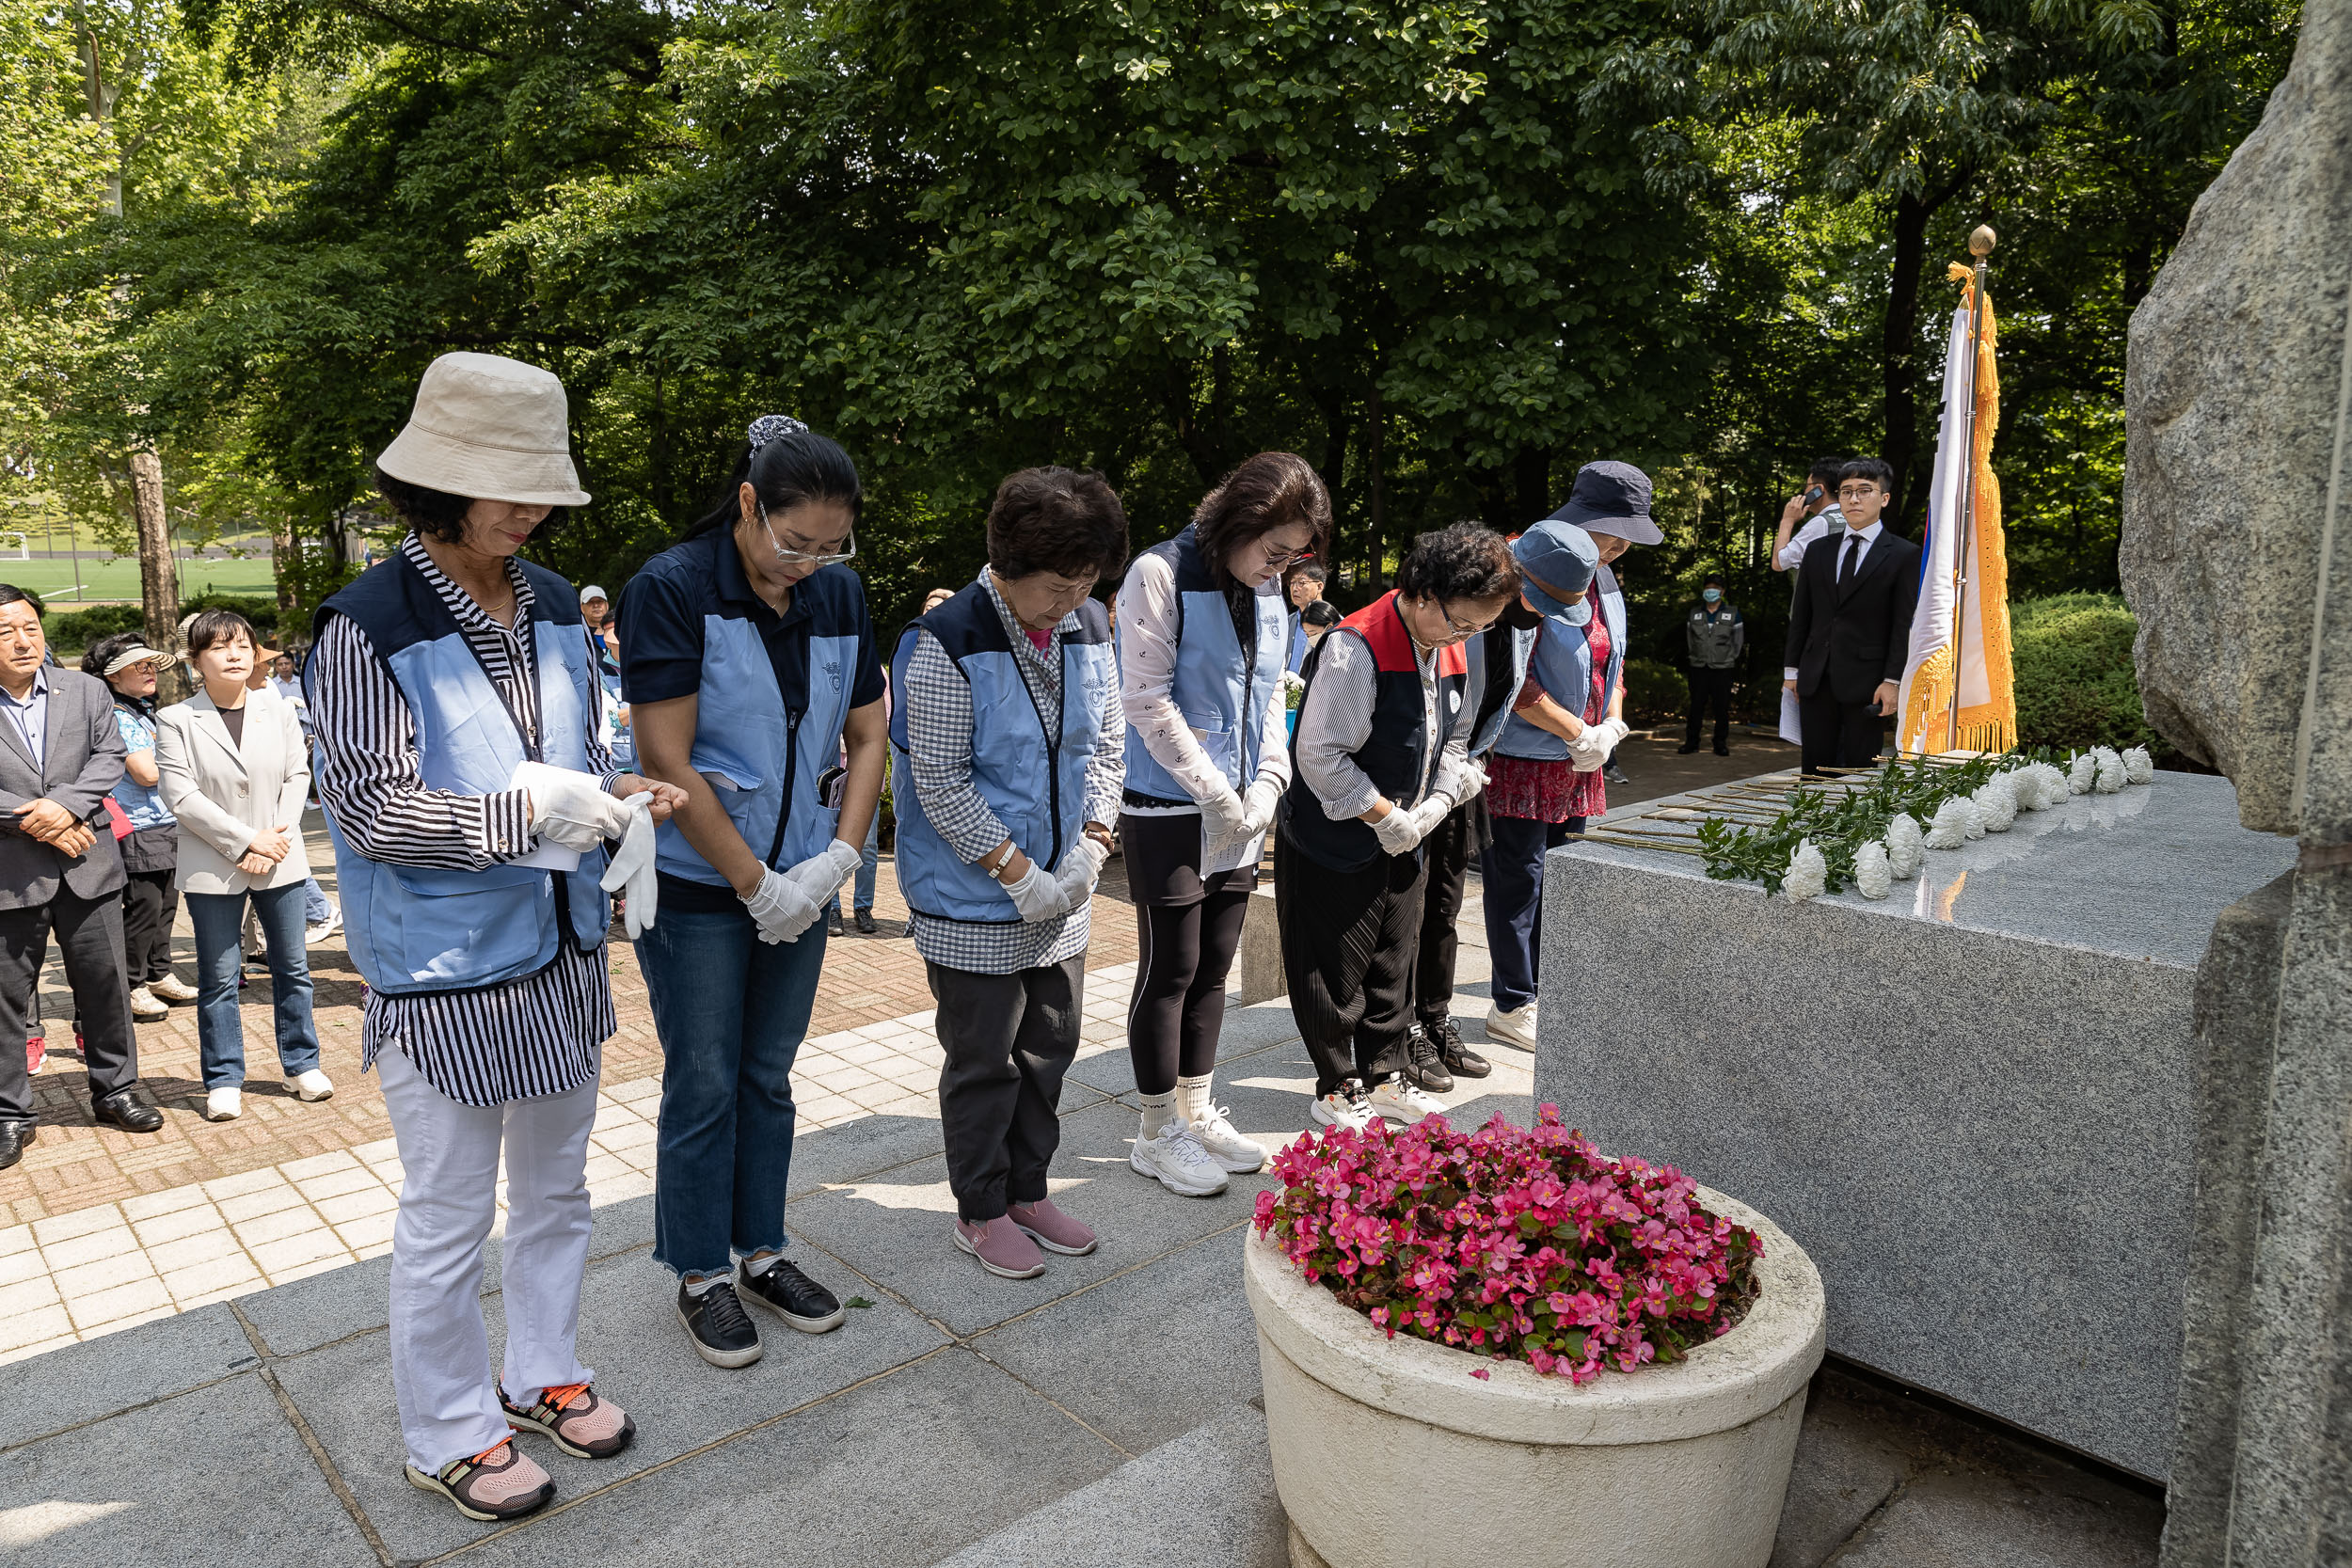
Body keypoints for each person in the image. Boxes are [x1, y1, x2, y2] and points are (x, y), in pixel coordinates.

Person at [310, 352, 680, 1520]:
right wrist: (534, 811)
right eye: (507, 487)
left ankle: (542, 1369)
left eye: (541, 488)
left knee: (561, 1189)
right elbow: (370, 808)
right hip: (442, 968)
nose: (531, 509)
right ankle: (448, 1428)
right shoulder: (365, 624)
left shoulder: (560, 602)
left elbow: (569, 754)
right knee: (448, 1211)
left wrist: (616, 791)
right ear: (438, 484)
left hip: (562, 945)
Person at [620, 413, 883, 1371]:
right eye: (790, 540)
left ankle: (762, 1250)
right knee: (703, 1078)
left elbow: (866, 737)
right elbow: (664, 756)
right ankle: (699, 1271)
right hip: (701, 883)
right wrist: (752, 880)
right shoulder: (674, 586)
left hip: (805, 880)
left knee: (768, 1075)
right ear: (747, 504)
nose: (807, 562)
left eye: (828, 544)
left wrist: (837, 861)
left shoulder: (841, 595)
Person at [894, 467, 1127, 1277]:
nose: (1071, 601)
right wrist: (1019, 872)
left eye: (1087, 582)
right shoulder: (947, 641)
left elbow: (1106, 746)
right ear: (1005, 565)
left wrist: (1092, 845)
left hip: (1066, 888)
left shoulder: (1091, 626)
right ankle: (981, 1206)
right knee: (984, 1059)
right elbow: (941, 781)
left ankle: (1030, 1187)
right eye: (1058, 586)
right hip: (977, 898)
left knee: (1049, 1048)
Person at [1115, 451, 1323, 1196]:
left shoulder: (1268, 591)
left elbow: (1274, 692)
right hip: (1170, 805)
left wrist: (1269, 779)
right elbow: (1143, 698)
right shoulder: (1159, 573)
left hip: (1243, 807)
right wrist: (1209, 788)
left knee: (1214, 967)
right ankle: (1153, 1129)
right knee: (1168, 967)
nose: (1280, 567)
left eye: (1292, 555)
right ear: (1241, 520)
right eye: (1274, 550)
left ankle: (1197, 1110)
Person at [1278, 524, 1518, 1131]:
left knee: (1394, 958)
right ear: (1424, 593)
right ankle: (1337, 1085)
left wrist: (1436, 803)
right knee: (1335, 968)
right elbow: (1321, 755)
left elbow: (1455, 736)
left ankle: (1387, 1075)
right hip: (1339, 833)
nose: (1467, 637)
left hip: (1411, 828)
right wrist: (1385, 816)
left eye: (1480, 627)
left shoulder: (1451, 643)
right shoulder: (1356, 644)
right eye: (1462, 623)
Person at [0, 584, 159, 1169]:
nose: (22, 641)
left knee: (106, 985)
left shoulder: (87, 689)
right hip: (9, 874)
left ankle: (115, 1089)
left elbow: (109, 756)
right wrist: (37, 822)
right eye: (4, 631)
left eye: (30, 628)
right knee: (7, 1000)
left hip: (88, 864)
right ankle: (10, 1112)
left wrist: (63, 807)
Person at [154, 610, 328, 1123]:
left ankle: (302, 1064)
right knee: (219, 975)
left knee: (293, 968)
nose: (233, 655)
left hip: (281, 856)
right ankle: (224, 1076)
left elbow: (298, 774)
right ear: (195, 661)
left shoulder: (276, 709)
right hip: (214, 863)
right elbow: (180, 796)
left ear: (255, 653)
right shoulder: (176, 719)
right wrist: (247, 839)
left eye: (242, 645)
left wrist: (274, 836)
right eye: (218, 647)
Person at [82, 635, 196, 1022]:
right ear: (113, 677)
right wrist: (186, 760)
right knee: (144, 907)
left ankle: (159, 973)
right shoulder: (117, 714)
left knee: (166, 904)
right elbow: (146, 773)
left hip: (164, 820)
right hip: (138, 826)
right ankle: (131, 984)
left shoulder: (142, 711)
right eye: (138, 666)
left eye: (151, 665)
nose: (150, 672)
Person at [1784, 458, 1922, 776]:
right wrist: (1792, 672)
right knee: (1814, 771)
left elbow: (1903, 624)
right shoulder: (1817, 550)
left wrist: (1893, 681)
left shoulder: (1904, 555)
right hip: (1815, 678)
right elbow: (1802, 615)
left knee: (1858, 774)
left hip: (1868, 682)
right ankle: (1811, 825)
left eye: (1864, 491)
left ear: (1884, 498)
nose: (1854, 499)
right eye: (1846, 492)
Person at [1680, 574, 1744, 756]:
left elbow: (1738, 642)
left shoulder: (1733, 613)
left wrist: (1728, 658)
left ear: (1722, 591)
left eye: (1715, 588)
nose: (1711, 591)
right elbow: (1690, 640)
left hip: (1723, 669)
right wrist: (1696, 656)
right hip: (1698, 667)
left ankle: (1720, 744)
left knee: (1721, 707)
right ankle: (1691, 743)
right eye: (1708, 587)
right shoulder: (1695, 613)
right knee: (1695, 707)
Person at [1772, 457, 1849, 574]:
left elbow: (1779, 563)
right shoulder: (1857, 518)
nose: (1804, 492)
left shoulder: (1822, 523)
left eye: (1807, 486)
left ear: (1818, 490)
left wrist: (1787, 520)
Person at [1283, 559, 1328, 673]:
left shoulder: (1336, 624)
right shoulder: (1287, 622)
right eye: (1292, 582)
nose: (1294, 588)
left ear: (1319, 587)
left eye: (1301, 583)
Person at [579, 584, 612, 657]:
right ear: (582, 608)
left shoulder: (619, 634)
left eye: (600, 601)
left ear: (607, 605)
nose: (596, 605)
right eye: (591, 602)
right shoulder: (579, 638)